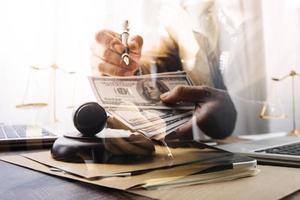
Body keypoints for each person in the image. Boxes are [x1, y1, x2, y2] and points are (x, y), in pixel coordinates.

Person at [90, 4, 237, 141]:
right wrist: (124, 67)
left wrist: (239, 107)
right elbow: (161, 59)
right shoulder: (186, 9)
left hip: (250, 147)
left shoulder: (254, 12)